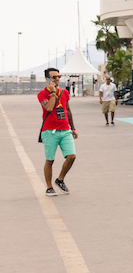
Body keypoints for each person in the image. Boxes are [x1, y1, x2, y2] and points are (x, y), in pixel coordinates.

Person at [37, 68, 77, 196]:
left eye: (58, 76)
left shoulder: (64, 92)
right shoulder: (42, 94)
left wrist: (73, 128)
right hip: (49, 131)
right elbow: (48, 107)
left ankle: (60, 180)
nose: (57, 79)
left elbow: (68, 110)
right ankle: (49, 187)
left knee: (71, 156)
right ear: (47, 79)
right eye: (54, 77)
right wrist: (53, 93)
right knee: (50, 160)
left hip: (65, 129)